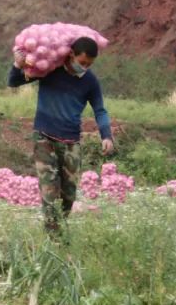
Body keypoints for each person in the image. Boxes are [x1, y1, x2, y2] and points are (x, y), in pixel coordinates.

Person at [8, 37, 114, 235]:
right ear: (71, 54)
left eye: (89, 64)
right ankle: (53, 239)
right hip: (44, 137)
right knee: (50, 190)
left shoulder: (90, 81)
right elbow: (13, 82)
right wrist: (17, 65)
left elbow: (100, 110)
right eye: (82, 62)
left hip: (71, 142)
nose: (85, 67)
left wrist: (106, 136)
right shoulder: (50, 70)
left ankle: (59, 230)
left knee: (68, 196)